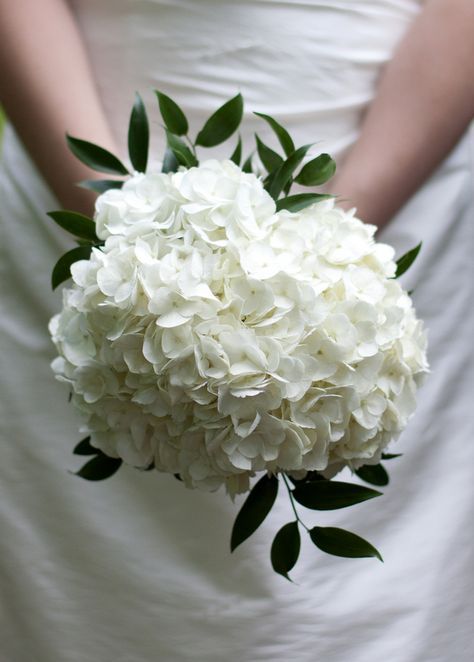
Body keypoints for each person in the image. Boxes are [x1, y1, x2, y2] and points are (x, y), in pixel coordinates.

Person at [0, 1, 473, 660]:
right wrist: (120, 235)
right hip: (75, 181)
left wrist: (329, 254)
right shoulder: (106, 240)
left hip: (402, 170)